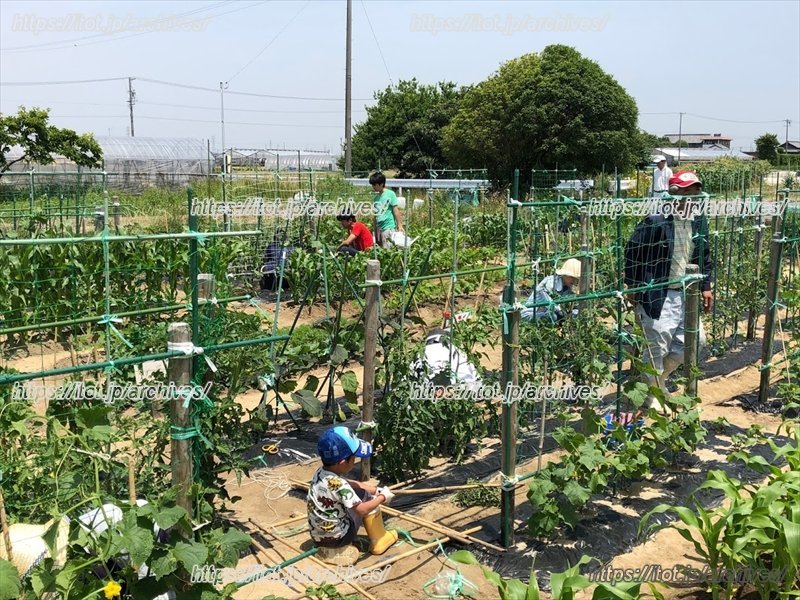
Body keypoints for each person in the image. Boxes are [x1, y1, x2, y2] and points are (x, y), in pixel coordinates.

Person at [624, 171, 713, 412]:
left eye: (696, 194)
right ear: (673, 195)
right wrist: (633, 285)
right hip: (658, 293)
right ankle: (652, 396)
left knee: (693, 343)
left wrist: (705, 286)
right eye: (687, 193)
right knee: (656, 348)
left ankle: (659, 382)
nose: (692, 199)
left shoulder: (698, 221)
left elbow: (703, 255)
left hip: (687, 294)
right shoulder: (656, 220)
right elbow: (633, 251)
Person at [307, 426, 398, 564]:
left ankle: (327, 547)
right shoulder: (341, 485)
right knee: (367, 499)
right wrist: (381, 497)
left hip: (317, 535)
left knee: (363, 493)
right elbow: (361, 509)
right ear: (343, 462)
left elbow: (349, 484)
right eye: (354, 457)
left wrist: (373, 489)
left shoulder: (321, 473)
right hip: (339, 537)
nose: (355, 459)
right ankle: (379, 540)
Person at [409, 327, 482, 395]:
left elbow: (408, 377)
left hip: (427, 395)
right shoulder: (458, 351)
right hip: (462, 393)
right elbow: (477, 380)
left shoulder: (419, 353)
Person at [521, 258, 581, 323]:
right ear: (564, 275)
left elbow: (575, 307)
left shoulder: (569, 289)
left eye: (576, 278)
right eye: (572, 277)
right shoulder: (550, 283)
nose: (574, 281)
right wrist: (563, 313)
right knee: (553, 317)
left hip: (549, 313)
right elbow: (550, 304)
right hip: (532, 313)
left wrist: (574, 313)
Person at [369, 172, 404, 248]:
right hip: (379, 228)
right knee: (380, 249)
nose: (373, 187)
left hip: (388, 226)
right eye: (372, 185)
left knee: (387, 249)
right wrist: (374, 229)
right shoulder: (376, 198)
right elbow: (375, 215)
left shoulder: (390, 194)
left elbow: (395, 210)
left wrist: (400, 225)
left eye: (375, 185)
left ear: (381, 184)